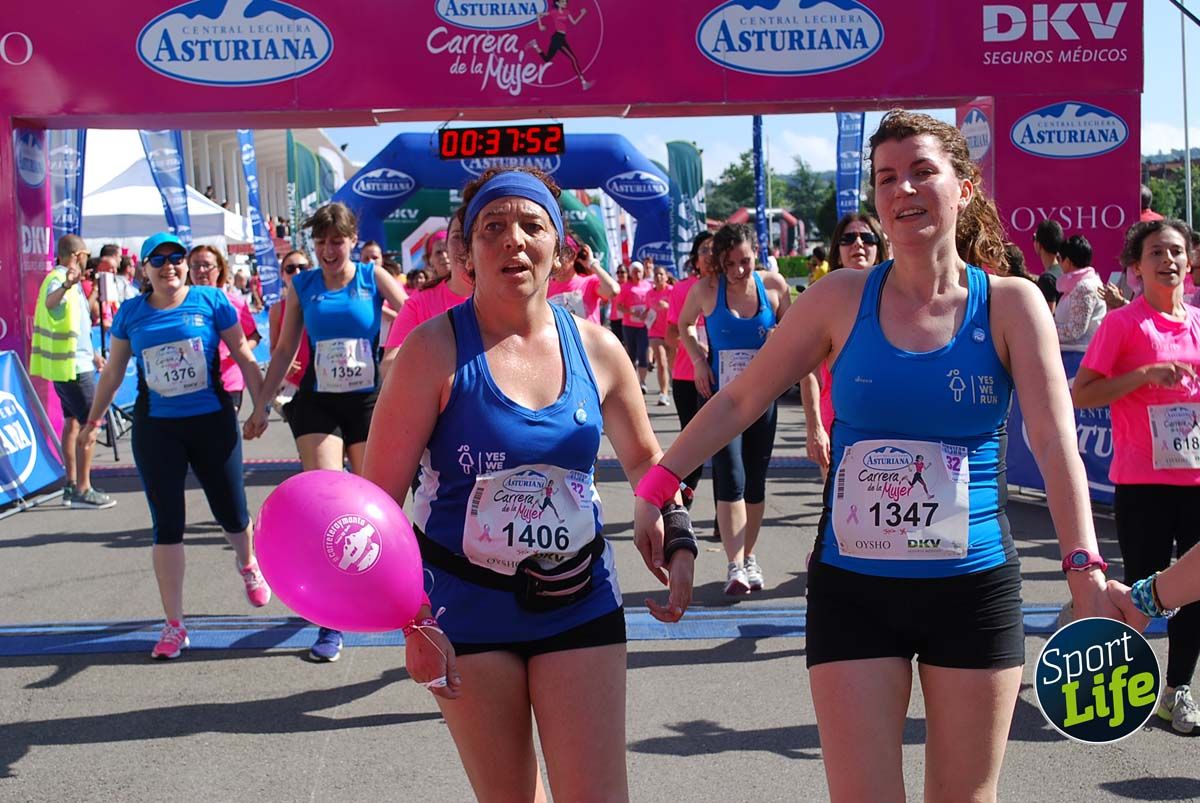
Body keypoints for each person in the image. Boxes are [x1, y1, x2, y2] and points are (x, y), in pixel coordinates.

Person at [636, 110, 1124, 801]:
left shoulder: (1012, 304)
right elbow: (741, 399)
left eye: (923, 171)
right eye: (887, 177)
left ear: (965, 187)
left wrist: (1084, 565)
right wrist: (659, 483)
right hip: (854, 590)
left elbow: (1053, 441)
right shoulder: (839, 297)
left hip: (973, 588)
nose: (904, 189)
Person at [363, 166, 693, 801]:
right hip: (465, 608)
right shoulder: (430, 352)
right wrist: (413, 623)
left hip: (580, 598)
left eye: (531, 225)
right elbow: (376, 506)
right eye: (492, 227)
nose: (513, 240)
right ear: (465, 252)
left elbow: (646, 461)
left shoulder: (599, 349)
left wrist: (675, 531)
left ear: (559, 246)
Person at [80, 232, 271, 660]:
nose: (169, 265)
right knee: (167, 524)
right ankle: (174, 625)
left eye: (176, 258)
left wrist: (261, 406)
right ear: (144, 269)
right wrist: (94, 421)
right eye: (159, 260)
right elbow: (113, 373)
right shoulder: (131, 313)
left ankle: (248, 563)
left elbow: (244, 355)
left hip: (211, 422)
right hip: (157, 429)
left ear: (185, 264)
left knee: (232, 510)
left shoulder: (211, 301)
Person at [246, 202, 409, 663]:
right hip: (319, 403)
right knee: (329, 506)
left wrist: (398, 355)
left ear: (353, 240)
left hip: (367, 403)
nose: (328, 250)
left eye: (336, 241)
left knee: (377, 507)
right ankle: (329, 619)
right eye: (320, 242)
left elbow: (417, 316)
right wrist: (261, 405)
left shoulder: (373, 277)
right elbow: (283, 350)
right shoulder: (303, 285)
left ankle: (388, 593)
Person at [1072, 218, 1200, 734]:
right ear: (1136, 268)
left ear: (1190, 262)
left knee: (1193, 589)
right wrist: (1144, 376)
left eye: (1176, 251)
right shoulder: (1123, 325)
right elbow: (1081, 392)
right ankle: (1120, 686)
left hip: (1195, 479)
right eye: (1156, 253)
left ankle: (1177, 691)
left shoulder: (1198, 323)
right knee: (1141, 591)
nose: (1168, 260)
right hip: (1143, 482)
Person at [677, 223, 791, 595]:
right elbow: (684, 324)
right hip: (720, 399)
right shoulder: (707, 289)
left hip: (761, 399)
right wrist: (698, 360)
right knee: (731, 477)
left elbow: (794, 331)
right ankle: (735, 564)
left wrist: (779, 337)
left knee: (755, 481)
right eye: (730, 264)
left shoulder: (773, 286)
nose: (739, 270)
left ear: (756, 253)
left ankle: (750, 556)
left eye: (745, 261)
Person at [800, 213, 889, 477]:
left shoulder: (901, 299)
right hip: (838, 426)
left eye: (867, 238)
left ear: (879, 248)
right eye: (848, 238)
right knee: (838, 501)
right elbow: (808, 373)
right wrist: (814, 427)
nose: (858, 244)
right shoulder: (823, 302)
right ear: (837, 252)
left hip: (892, 423)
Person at [30, 234, 114, 509]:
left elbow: (77, 324)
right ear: (77, 256)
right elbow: (51, 302)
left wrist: (93, 355)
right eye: (86, 255)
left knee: (73, 423)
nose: (88, 260)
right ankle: (83, 489)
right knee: (90, 424)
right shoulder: (59, 279)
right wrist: (67, 284)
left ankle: (72, 484)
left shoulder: (69, 281)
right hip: (73, 368)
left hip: (74, 364)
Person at [666, 232, 719, 537]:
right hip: (687, 377)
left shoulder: (729, 288)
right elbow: (671, 333)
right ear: (696, 259)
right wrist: (698, 346)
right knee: (694, 447)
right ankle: (682, 501)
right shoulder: (683, 289)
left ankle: (724, 516)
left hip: (722, 378)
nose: (710, 256)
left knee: (724, 449)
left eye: (715, 249)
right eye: (704, 250)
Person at [380, 209, 473, 381]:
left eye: (469, 237)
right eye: (457, 237)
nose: (464, 245)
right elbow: (388, 367)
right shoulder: (420, 301)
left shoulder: (508, 296)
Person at [186, 245, 262, 412]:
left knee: (224, 426)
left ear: (219, 269)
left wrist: (238, 351)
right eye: (195, 265)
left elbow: (254, 336)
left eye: (207, 265)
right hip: (192, 385)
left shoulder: (234, 302)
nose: (201, 270)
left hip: (229, 380)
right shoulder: (180, 305)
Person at [267, 250, 312, 415]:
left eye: (302, 267)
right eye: (290, 269)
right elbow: (274, 347)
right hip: (295, 384)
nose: (297, 272)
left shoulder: (323, 301)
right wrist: (286, 364)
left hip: (326, 379)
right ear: (282, 275)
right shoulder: (277, 309)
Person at [547, 238, 619, 323]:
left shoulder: (589, 282)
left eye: (562, 254)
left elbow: (613, 290)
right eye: (554, 253)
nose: (557, 259)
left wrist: (592, 263)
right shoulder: (546, 287)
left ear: (574, 256)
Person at [1053, 234, 1105, 347]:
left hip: (1079, 353)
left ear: (1067, 261)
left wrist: (1047, 330)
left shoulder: (1084, 287)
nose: (1058, 263)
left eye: (1059, 258)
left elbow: (1075, 330)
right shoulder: (1082, 284)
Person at [527, 0, 592, 90]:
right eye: (563, 2)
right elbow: (539, 14)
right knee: (573, 59)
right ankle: (583, 82)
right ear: (557, 3)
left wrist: (582, 14)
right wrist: (540, 25)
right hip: (558, 38)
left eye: (565, 2)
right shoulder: (553, 12)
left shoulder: (567, 12)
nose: (565, 3)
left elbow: (574, 23)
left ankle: (535, 45)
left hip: (560, 38)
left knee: (547, 59)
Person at [617, 261, 652, 390]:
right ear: (631, 273)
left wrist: (646, 312)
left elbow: (652, 303)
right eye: (635, 272)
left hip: (644, 325)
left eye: (639, 272)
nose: (637, 274)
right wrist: (632, 312)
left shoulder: (648, 286)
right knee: (631, 354)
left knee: (643, 352)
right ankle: (632, 382)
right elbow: (619, 306)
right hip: (629, 325)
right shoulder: (625, 287)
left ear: (643, 273)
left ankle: (642, 382)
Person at [646, 265, 673, 406]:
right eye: (656, 274)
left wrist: (668, 307)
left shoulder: (672, 291)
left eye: (661, 274)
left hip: (671, 332)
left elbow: (681, 309)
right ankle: (664, 393)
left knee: (672, 365)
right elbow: (647, 310)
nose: (658, 277)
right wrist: (643, 315)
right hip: (655, 332)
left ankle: (672, 383)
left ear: (666, 277)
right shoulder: (649, 294)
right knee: (662, 362)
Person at [608, 264, 628, 344]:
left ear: (627, 273)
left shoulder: (630, 286)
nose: (620, 274)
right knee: (617, 343)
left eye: (622, 272)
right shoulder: (614, 286)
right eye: (618, 272)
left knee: (627, 344)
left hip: (627, 319)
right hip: (615, 319)